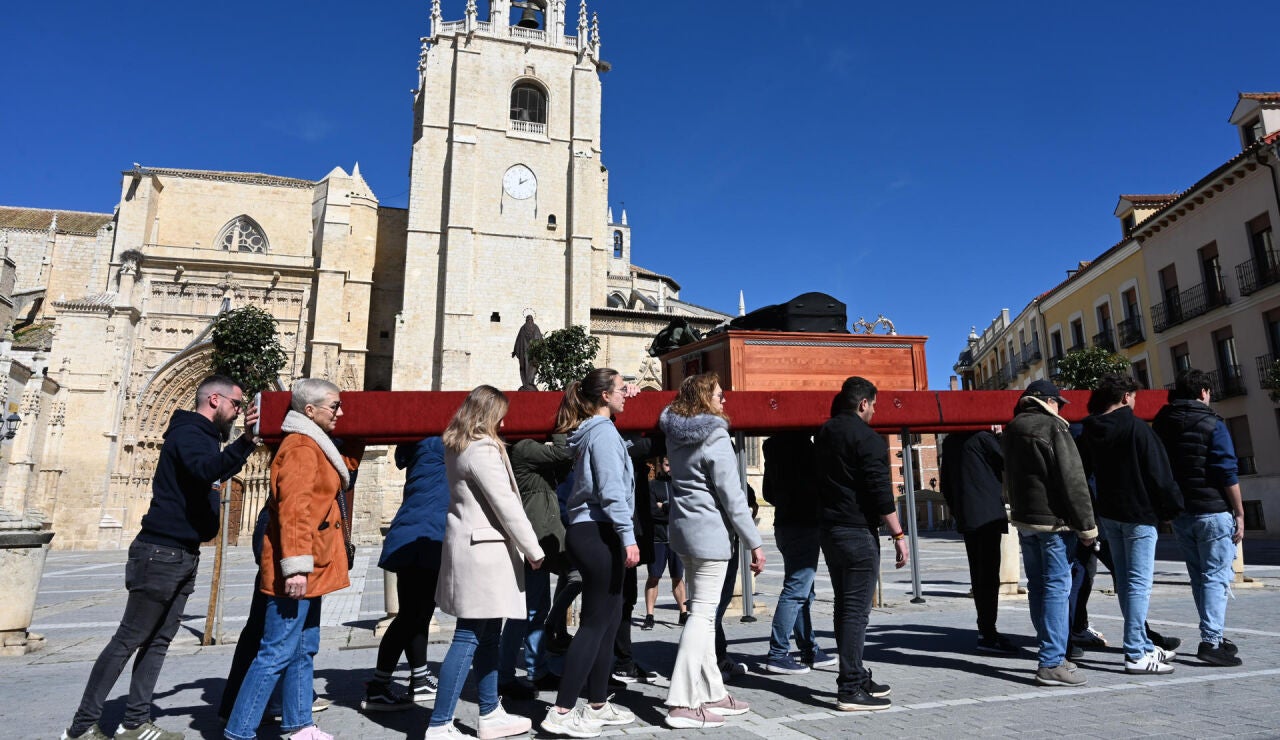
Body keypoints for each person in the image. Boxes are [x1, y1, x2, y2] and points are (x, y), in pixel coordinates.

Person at [63, 375, 260, 740]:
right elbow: (207, 470)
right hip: (161, 553)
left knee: (157, 641)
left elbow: (211, 471)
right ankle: (81, 726)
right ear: (214, 400)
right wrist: (246, 440)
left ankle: (134, 723)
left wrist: (241, 448)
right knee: (128, 639)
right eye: (236, 404)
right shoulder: (189, 433)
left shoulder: (203, 438)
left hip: (181, 552)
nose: (237, 412)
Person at [224, 378, 360, 740]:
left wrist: (361, 433)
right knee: (274, 655)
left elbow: (336, 475)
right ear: (310, 410)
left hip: (312, 565)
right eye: (335, 406)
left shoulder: (315, 444)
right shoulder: (300, 447)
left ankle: (299, 724)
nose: (341, 412)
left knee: (303, 647)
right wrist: (296, 567)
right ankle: (239, 732)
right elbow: (295, 511)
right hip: (299, 567)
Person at [426, 385, 545, 739]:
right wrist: (533, 548)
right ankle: (440, 723)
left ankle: (491, 712)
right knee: (469, 637)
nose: (505, 421)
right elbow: (506, 503)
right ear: (488, 413)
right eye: (501, 414)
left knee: (489, 635)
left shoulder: (457, 446)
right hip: (485, 553)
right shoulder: (482, 449)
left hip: (476, 549)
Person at [659, 373, 765, 729]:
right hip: (710, 535)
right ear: (706, 397)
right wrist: (754, 540)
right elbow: (732, 495)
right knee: (702, 616)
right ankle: (681, 701)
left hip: (684, 533)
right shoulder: (714, 434)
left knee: (701, 615)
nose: (725, 400)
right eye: (720, 394)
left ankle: (713, 692)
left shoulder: (674, 433)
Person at [541, 368, 639, 738]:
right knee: (596, 623)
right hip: (598, 531)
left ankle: (597, 704)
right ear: (603, 397)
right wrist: (627, 536)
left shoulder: (597, 431)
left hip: (593, 530)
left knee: (609, 621)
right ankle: (562, 711)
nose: (626, 394)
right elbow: (612, 490)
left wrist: (625, 386)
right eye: (620, 390)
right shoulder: (603, 435)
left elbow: (611, 480)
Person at [813, 376, 908, 712]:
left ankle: (854, 674)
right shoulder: (867, 438)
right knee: (856, 613)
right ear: (863, 403)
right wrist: (898, 534)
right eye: (874, 405)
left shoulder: (824, 433)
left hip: (831, 531)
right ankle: (850, 688)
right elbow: (880, 492)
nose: (875, 411)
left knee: (845, 608)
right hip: (857, 532)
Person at [1078, 373, 1183, 675]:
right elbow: (1160, 474)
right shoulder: (1137, 429)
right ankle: (1136, 652)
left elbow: (1083, 474)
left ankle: (1143, 645)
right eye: (1134, 396)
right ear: (1125, 396)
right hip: (1138, 514)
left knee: (1125, 582)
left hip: (1109, 515)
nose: (1135, 402)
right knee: (1138, 584)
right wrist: (1172, 509)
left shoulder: (1089, 431)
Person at [1003, 379, 1097, 688]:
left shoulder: (1013, 427)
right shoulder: (1054, 427)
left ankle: (1050, 652)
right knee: (1058, 588)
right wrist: (1087, 527)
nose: (1060, 407)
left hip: (1026, 521)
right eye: (1058, 402)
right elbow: (1073, 479)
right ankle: (1052, 662)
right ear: (1046, 401)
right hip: (1054, 523)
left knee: (1039, 588)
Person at [1152, 368, 1245, 667]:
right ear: (1203, 392)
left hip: (1182, 513)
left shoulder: (1161, 424)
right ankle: (1211, 641)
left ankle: (1214, 634)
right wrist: (1240, 512)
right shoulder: (1212, 423)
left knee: (1199, 577)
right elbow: (1226, 470)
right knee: (1216, 578)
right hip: (1213, 510)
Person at [360, 436, 449, 711]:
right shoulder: (440, 444)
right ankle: (379, 685)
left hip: (413, 535)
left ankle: (419, 679)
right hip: (424, 537)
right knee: (411, 616)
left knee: (418, 614)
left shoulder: (419, 446)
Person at [497, 426, 573, 699]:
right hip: (532, 542)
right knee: (524, 613)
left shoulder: (530, 449)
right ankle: (505, 676)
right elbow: (564, 453)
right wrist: (560, 430)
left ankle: (537, 670)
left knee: (538, 609)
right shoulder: (525, 446)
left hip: (539, 540)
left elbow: (562, 466)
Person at [762, 432, 837, 674]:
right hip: (804, 523)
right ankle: (778, 652)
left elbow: (768, 493)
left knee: (804, 591)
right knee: (796, 590)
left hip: (783, 524)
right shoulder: (806, 448)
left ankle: (808, 649)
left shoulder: (771, 447)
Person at [939, 430, 1017, 654]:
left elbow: (945, 484)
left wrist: (957, 510)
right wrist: (1001, 436)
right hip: (987, 515)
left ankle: (986, 629)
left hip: (968, 516)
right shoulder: (983, 437)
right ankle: (988, 633)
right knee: (990, 576)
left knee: (979, 575)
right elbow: (1006, 460)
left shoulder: (951, 440)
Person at [642, 457, 688, 630]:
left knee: (678, 577)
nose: (671, 469)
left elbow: (684, 508)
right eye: (668, 464)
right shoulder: (652, 486)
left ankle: (683, 613)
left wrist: (666, 507)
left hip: (677, 539)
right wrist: (671, 510)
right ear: (660, 465)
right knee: (654, 577)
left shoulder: (680, 484)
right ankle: (649, 615)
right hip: (657, 540)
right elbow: (652, 512)